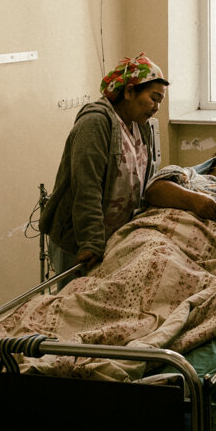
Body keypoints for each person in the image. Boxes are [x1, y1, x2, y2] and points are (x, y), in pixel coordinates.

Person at [41, 53, 168, 281]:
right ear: (129, 92)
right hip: (79, 239)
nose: (157, 107)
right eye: (154, 98)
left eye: (160, 101)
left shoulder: (141, 127)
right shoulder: (96, 123)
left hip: (112, 237)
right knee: (73, 297)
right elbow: (86, 187)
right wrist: (91, 241)